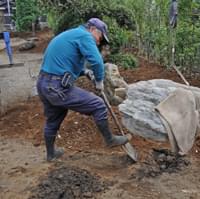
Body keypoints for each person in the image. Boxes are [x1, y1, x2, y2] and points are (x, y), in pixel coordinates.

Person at [36, 18, 130, 162]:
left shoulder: (72, 34)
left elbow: (65, 61)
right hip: (57, 86)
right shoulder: (85, 36)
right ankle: (110, 139)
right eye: (100, 38)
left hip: (44, 84)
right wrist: (99, 81)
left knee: (54, 119)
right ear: (93, 29)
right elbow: (97, 61)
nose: (99, 42)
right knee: (98, 104)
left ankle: (51, 154)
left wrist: (84, 72)